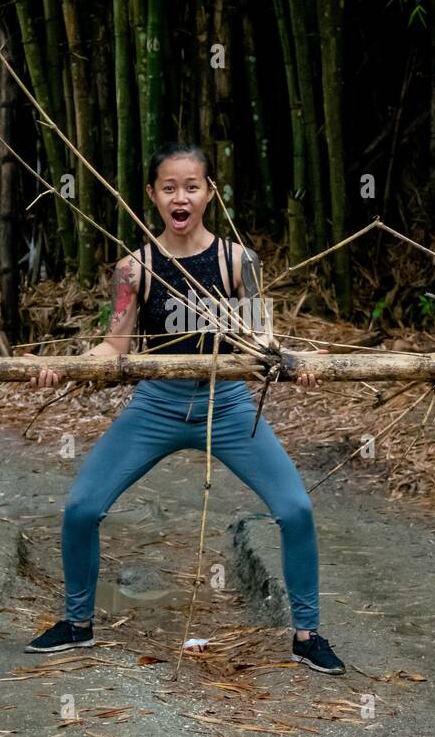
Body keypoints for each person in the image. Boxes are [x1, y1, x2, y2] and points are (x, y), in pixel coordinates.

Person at [21, 143, 345, 674]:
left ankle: (307, 635)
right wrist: (67, 364)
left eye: (191, 186)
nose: (181, 196)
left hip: (230, 407)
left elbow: (261, 339)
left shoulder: (238, 261)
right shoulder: (135, 268)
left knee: (296, 509)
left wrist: (296, 360)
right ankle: (77, 624)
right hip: (157, 405)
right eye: (169, 187)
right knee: (81, 508)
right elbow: (114, 347)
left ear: (209, 193)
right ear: (152, 196)